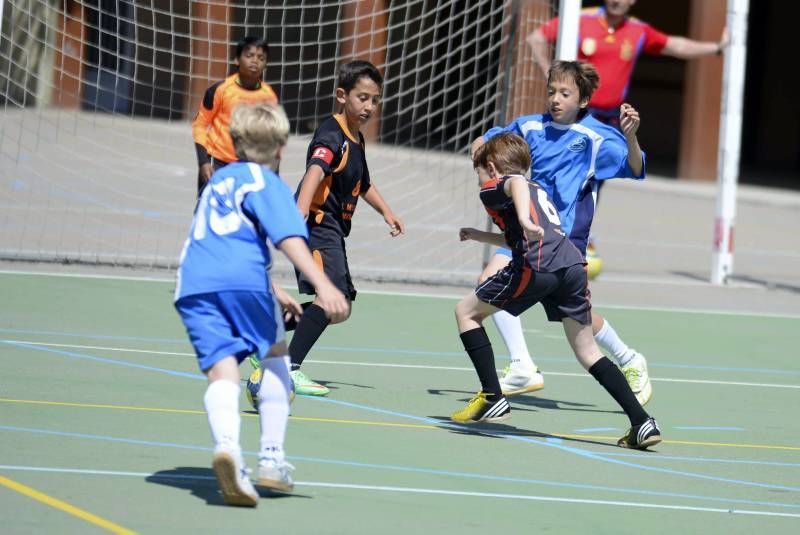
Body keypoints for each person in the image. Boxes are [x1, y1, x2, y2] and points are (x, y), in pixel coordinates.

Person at [174, 103, 349, 506]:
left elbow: (222, 246)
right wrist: (323, 285)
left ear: (233, 143)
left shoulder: (217, 182)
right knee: (275, 358)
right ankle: (271, 458)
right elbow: (289, 239)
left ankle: (228, 449)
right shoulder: (265, 182)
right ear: (282, 149)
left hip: (194, 284)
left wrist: (271, 289)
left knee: (222, 373)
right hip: (244, 283)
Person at [453, 132, 660, 450]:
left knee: (465, 312)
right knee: (589, 353)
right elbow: (520, 235)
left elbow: (514, 185)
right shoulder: (537, 190)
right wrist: (482, 235)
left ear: (492, 168)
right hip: (571, 267)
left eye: (479, 172)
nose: (478, 179)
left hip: (539, 267)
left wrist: (521, 215)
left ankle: (492, 396)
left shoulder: (500, 186)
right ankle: (642, 421)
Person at [471, 60, 652, 406]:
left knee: (572, 317)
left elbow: (635, 166)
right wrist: (480, 143)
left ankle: (628, 358)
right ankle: (524, 365)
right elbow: (491, 140)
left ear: (583, 100)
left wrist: (630, 136)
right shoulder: (529, 127)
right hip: (528, 232)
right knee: (494, 286)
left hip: (563, 241)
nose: (555, 99)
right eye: (552, 91)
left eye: (565, 93)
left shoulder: (596, 138)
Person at [528, 0, 729, 266]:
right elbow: (536, 37)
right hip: (577, 117)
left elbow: (675, 45)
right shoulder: (581, 19)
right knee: (559, 172)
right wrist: (551, 76)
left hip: (609, 121)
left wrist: (716, 48)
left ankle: (575, 236)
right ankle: (541, 228)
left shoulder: (638, 30)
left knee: (595, 179)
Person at [287, 60, 405, 396]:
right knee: (332, 298)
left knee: (341, 307)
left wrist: (387, 212)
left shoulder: (357, 138)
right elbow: (314, 171)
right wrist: (297, 216)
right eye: (362, 98)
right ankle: (287, 367)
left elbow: (363, 183)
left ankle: (264, 331)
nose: (368, 106)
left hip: (334, 231)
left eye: (374, 100)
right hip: (317, 227)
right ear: (342, 95)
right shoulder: (331, 134)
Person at [191, 36, 278, 195]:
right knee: (209, 215)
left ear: (265, 64)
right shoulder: (220, 90)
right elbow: (200, 125)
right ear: (237, 60)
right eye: (249, 56)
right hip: (217, 163)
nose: (255, 61)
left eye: (261, 58)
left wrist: (273, 176)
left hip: (249, 167)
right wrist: (203, 162)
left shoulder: (269, 97)